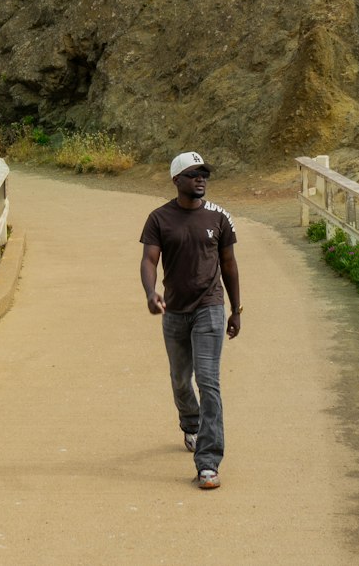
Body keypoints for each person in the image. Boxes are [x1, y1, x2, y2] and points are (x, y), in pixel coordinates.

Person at [139, 150, 241, 490]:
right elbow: (150, 260)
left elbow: (229, 265)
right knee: (181, 380)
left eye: (205, 174)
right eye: (194, 174)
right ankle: (191, 424)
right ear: (177, 180)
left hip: (209, 307)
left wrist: (235, 310)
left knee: (208, 382)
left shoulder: (219, 218)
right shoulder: (159, 219)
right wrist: (151, 292)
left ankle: (208, 463)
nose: (201, 179)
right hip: (174, 311)